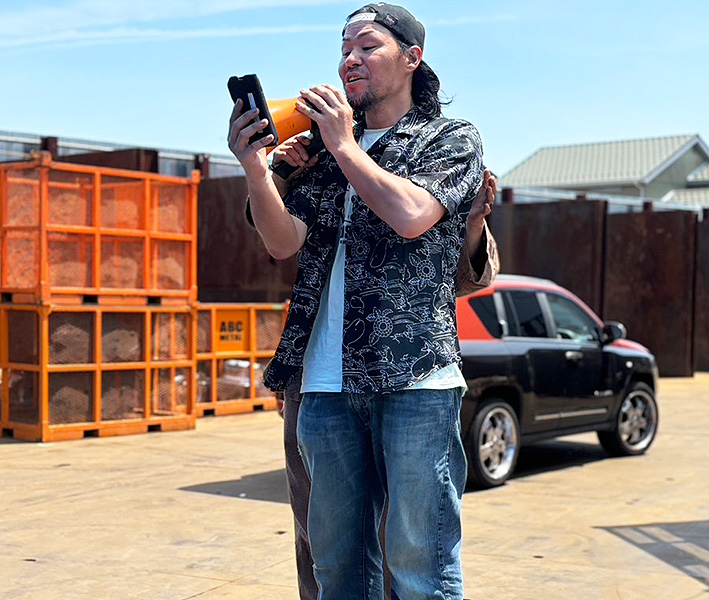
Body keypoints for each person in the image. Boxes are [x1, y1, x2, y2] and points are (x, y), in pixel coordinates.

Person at [228, 4, 484, 599]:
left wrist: (345, 145)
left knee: (419, 568)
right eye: (344, 49)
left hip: (414, 379)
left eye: (367, 46)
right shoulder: (317, 151)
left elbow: (412, 215)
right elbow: (282, 241)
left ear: (412, 58)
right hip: (323, 386)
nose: (351, 60)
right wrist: (257, 170)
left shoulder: (451, 138)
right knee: (337, 571)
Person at [278, 172, 499, 600]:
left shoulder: (427, 156)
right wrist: (274, 175)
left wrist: (472, 226)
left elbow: (465, 272)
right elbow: (276, 236)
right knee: (324, 550)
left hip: (403, 372)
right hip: (317, 376)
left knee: (411, 553)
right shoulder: (320, 154)